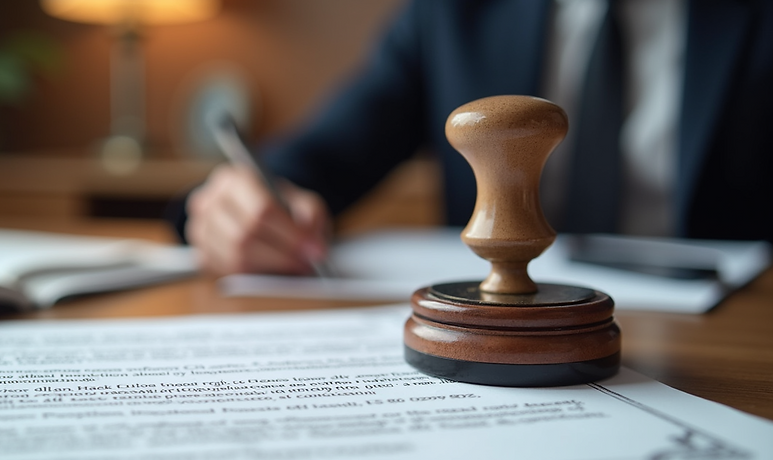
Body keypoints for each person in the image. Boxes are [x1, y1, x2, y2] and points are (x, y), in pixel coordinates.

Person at [174, 0, 773, 275]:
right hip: (490, 343)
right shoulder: (450, 14)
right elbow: (319, 158)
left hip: (725, 337)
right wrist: (241, 204)